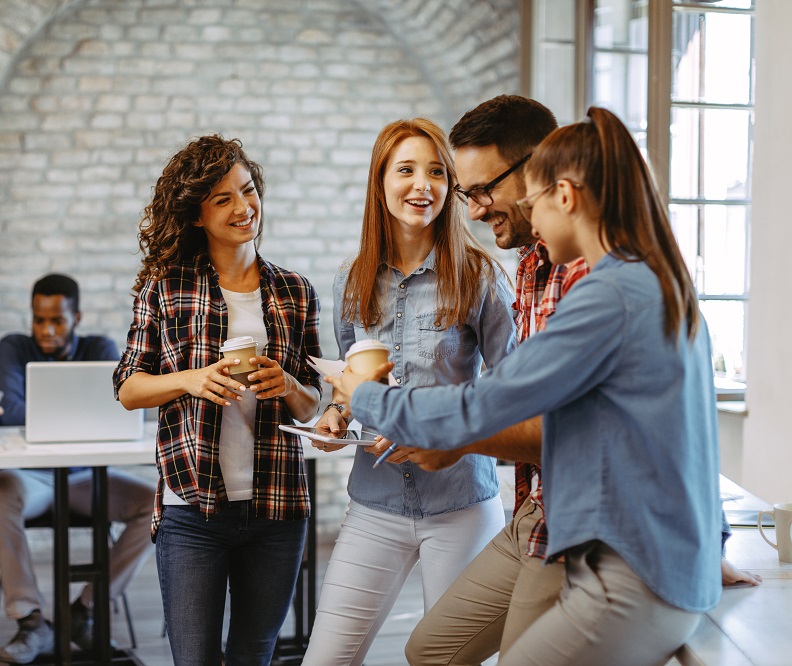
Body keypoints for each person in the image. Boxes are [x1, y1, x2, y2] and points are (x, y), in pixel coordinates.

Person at [331, 106, 724, 665]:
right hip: (582, 529)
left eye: (534, 200)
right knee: (431, 649)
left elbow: (485, 404)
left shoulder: (604, 292)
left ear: (562, 195)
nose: (475, 210)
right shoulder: (645, 277)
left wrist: (364, 396)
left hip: (621, 555)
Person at [299, 118, 516, 666]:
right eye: (407, 170)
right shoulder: (350, 280)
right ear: (380, 183)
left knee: (447, 659)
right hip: (375, 502)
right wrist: (336, 418)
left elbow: (513, 388)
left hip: (461, 502)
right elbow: (354, 384)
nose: (423, 185)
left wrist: (457, 437)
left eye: (438, 172)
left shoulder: (481, 277)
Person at [114, 135, 323, 666]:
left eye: (248, 191)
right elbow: (128, 388)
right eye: (223, 198)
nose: (243, 207)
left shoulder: (295, 291)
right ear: (196, 217)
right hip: (192, 509)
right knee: (195, 658)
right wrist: (191, 380)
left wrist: (291, 386)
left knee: (254, 654)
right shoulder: (166, 288)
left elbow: (316, 405)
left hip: (277, 507)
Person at [0, 273, 156, 664]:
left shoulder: (99, 347)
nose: (46, 330)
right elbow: (9, 412)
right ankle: (30, 620)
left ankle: (84, 612)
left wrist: (48, 414)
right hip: (31, 476)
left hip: (84, 477)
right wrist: (78, 415)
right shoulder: (14, 346)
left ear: (76, 317)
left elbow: (115, 410)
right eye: (39, 319)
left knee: (154, 502)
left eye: (57, 320)